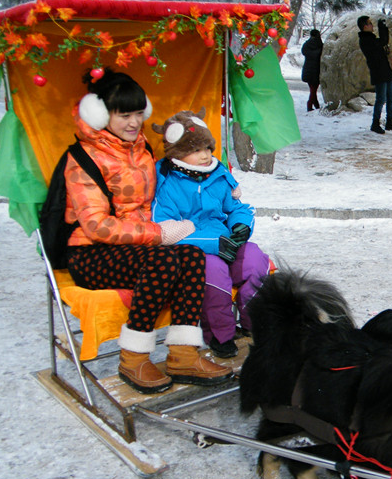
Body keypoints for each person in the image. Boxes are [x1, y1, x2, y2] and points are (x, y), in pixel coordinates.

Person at [64, 68, 233, 394]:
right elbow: (95, 225)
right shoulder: (82, 158)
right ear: (101, 114)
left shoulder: (143, 153)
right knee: (166, 261)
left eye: (138, 114)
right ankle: (134, 357)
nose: (133, 122)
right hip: (90, 252)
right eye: (123, 114)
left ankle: (183, 354)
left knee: (192, 256)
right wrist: (158, 234)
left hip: (137, 247)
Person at [151, 109, 271, 359]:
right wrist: (214, 244)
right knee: (213, 270)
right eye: (196, 150)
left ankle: (254, 323)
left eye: (207, 147)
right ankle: (221, 334)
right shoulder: (166, 180)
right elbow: (165, 230)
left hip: (226, 239)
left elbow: (237, 208)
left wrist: (241, 226)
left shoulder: (218, 174)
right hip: (194, 249)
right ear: (178, 153)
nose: (205, 155)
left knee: (254, 258)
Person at [357, 15, 392, 135]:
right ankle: (375, 123)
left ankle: (389, 121)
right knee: (381, 99)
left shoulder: (370, 38)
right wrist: (382, 27)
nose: (372, 25)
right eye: (370, 23)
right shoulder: (366, 40)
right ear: (365, 26)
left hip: (384, 71)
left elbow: (382, 43)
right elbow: (383, 41)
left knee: (391, 98)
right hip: (379, 72)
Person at [301, 29, 322, 112]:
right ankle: (309, 105)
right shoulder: (320, 45)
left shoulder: (306, 45)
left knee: (312, 89)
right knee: (313, 90)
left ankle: (317, 106)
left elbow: (304, 52)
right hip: (316, 70)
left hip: (307, 69)